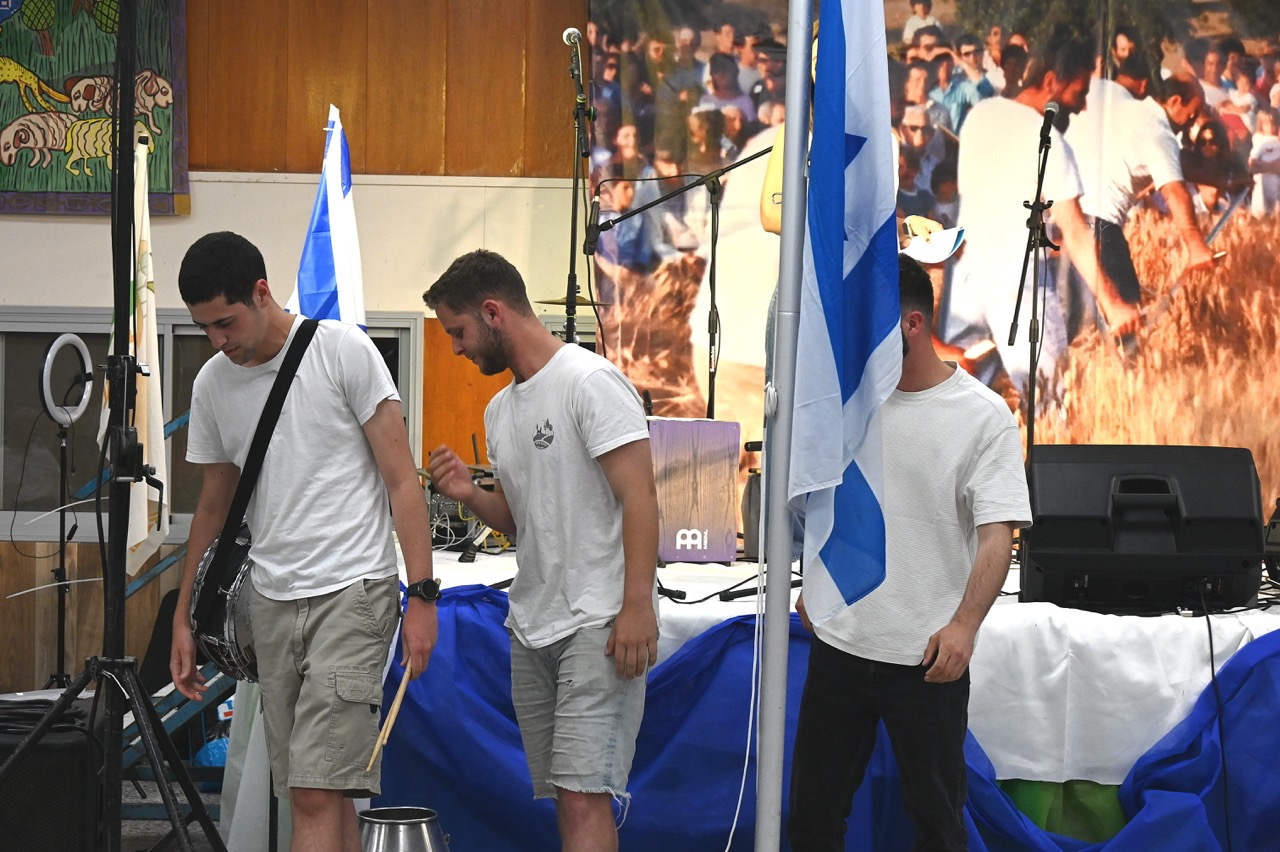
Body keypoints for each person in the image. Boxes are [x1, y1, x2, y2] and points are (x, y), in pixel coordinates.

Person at [169, 232, 437, 852]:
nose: (217, 340)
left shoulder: (342, 351)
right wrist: (185, 615)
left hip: (353, 590)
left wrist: (423, 595)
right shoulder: (212, 384)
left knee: (315, 792)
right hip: (269, 598)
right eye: (204, 328)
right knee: (315, 791)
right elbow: (213, 506)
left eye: (226, 322)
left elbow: (403, 480)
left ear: (262, 293)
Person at [788, 252, 1031, 851]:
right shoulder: (846, 405)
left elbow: (997, 535)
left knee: (937, 825)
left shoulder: (982, 417)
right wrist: (815, 579)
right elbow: (823, 502)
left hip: (927, 656)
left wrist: (964, 626)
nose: (854, 341)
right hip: (841, 644)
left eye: (868, 326)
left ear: (913, 324)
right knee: (813, 820)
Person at [423, 249, 659, 852]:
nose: (456, 348)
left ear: (493, 312)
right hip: (533, 625)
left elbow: (640, 497)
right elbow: (517, 517)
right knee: (565, 796)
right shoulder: (500, 410)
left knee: (583, 795)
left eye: (458, 331)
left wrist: (637, 606)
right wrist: (468, 493)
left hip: (598, 620)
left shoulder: (590, 382)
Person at [941, 27, 1140, 409]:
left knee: (952, 404)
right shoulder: (1048, 140)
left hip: (966, 281)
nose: (1082, 107)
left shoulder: (980, 116)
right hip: (1020, 285)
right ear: (1051, 81)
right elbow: (1076, 232)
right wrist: (1113, 302)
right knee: (1049, 406)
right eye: (1078, 93)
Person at [1064, 71, 1217, 340]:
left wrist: (1223, 178)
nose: (1191, 124)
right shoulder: (1158, 132)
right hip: (1099, 226)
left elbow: (1175, 163)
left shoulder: (1108, 93)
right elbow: (1175, 192)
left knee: (1075, 328)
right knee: (1127, 324)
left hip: (1062, 219)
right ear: (1174, 101)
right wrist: (1196, 246)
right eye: (1192, 115)